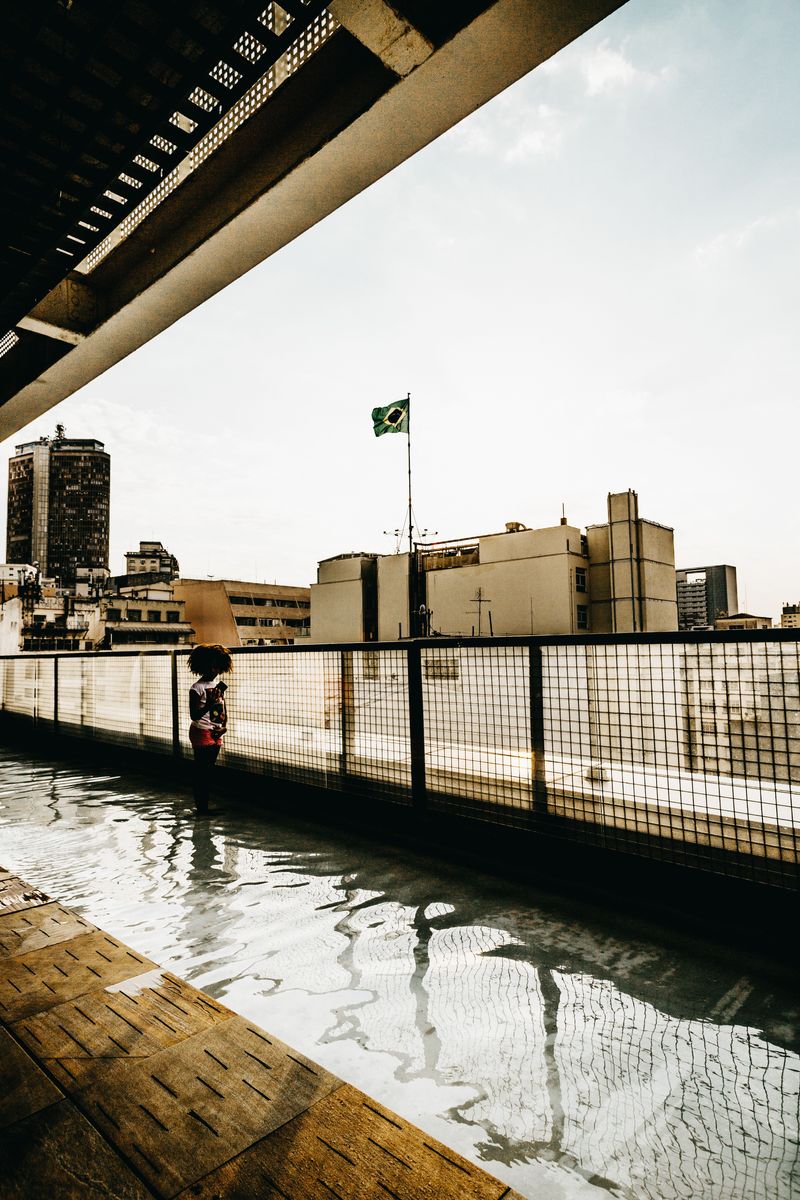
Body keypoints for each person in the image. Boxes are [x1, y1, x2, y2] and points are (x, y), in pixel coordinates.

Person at [188, 643, 233, 815]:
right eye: (212, 666)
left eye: (217, 666)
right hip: (201, 732)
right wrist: (209, 704)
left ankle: (204, 807)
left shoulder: (218, 686)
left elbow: (223, 710)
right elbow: (194, 715)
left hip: (215, 732)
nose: (215, 670)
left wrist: (224, 727)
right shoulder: (196, 688)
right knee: (203, 771)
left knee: (207, 771)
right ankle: (202, 808)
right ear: (203, 666)